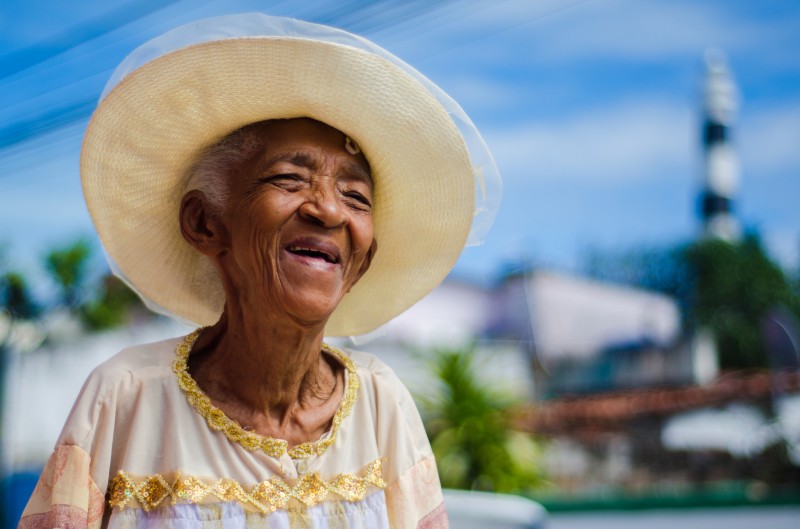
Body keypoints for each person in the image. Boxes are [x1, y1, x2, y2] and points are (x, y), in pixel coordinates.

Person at [18, 13, 499, 529]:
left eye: (355, 197)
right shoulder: (125, 395)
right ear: (204, 223)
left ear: (363, 259)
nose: (329, 210)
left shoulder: (382, 402)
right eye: (290, 179)